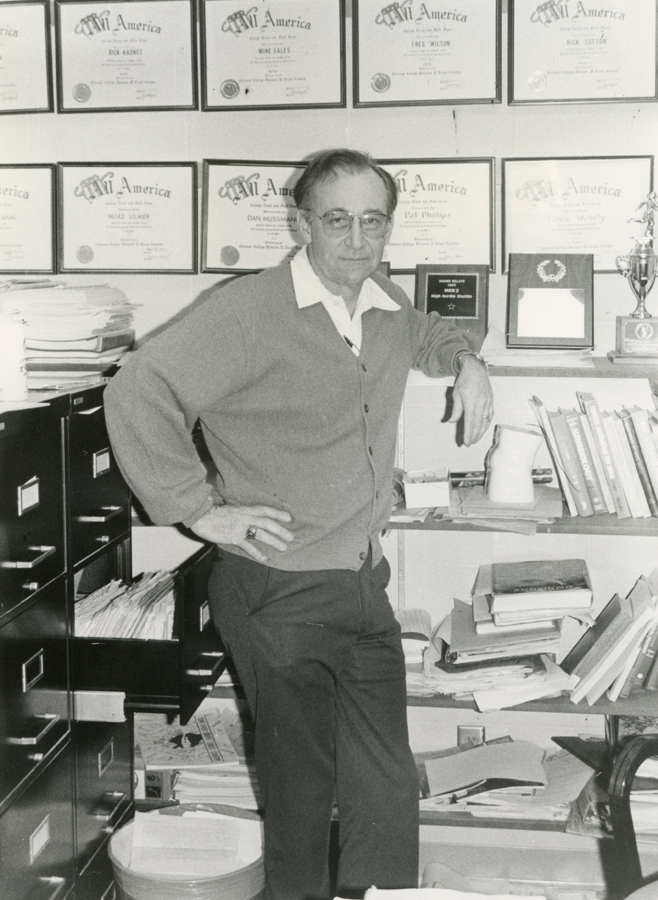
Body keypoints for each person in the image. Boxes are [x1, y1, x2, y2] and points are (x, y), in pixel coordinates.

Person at [104, 148, 494, 900]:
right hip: (276, 589)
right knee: (301, 792)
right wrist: (198, 510)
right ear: (303, 222)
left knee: (386, 790)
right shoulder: (251, 312)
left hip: (357, 584)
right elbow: (137, 389)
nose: (356, 238)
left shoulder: (378, 300)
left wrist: (469, 360)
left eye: (372, 221)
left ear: (388, 229)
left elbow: (428, 331)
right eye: (337, 220)